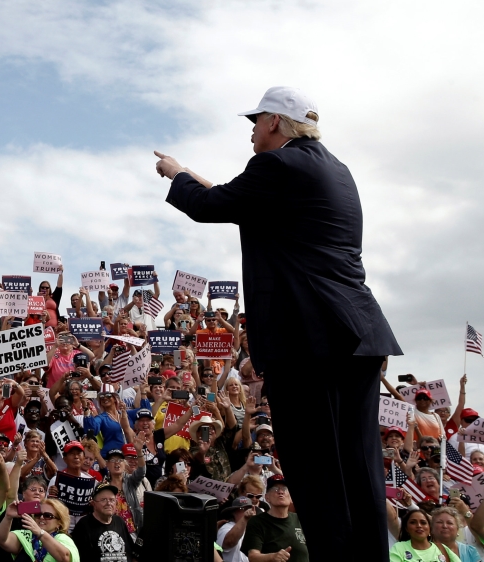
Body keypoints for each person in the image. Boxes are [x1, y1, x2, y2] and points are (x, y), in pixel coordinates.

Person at [156, 86, 402, 560]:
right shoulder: (335, 169)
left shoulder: (277, 165)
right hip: (358, 334)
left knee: (316, 470)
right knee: (359, 468)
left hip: (309, 340)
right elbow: (232, 199)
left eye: (256, 121)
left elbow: (210, 206)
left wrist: (176, 173)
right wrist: (194, 176)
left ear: (275, 122)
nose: (251, 131)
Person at [241, 476, 307, 562]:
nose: (280, 492)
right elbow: (253, 557)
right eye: (275, 489)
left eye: (285, 489)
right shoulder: (257, 522)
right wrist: (272, 557)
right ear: (267, 497)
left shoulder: (298, 519)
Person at [0, 499, 79, 562]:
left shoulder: (62, 538)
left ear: (59, 523)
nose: (41, 517)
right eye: (38, 514)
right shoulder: (28, 535)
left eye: (47, 515)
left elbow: (65, 557)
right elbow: (2, 540)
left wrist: (40, 533)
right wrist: (8, 517)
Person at [70, 483, 135, 562]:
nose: (109, 503)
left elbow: (131, 552)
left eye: (112, 500)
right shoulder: (84, 525)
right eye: (104, 500)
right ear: (94, 504)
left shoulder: (119, 521)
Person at [388, 508, 458, 562]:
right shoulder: (399, 548)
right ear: (406, 528)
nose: (419, 525)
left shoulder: (442, 548)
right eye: (413, 522)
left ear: (429, 528)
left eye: (423, 523)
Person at [216, 496, 254, 562]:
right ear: (234, 512)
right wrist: (244, 518)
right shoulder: (226, 527)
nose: (247, 511)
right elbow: (229, 542)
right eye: (243, 509)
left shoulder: (255, 529)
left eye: (249, 508)